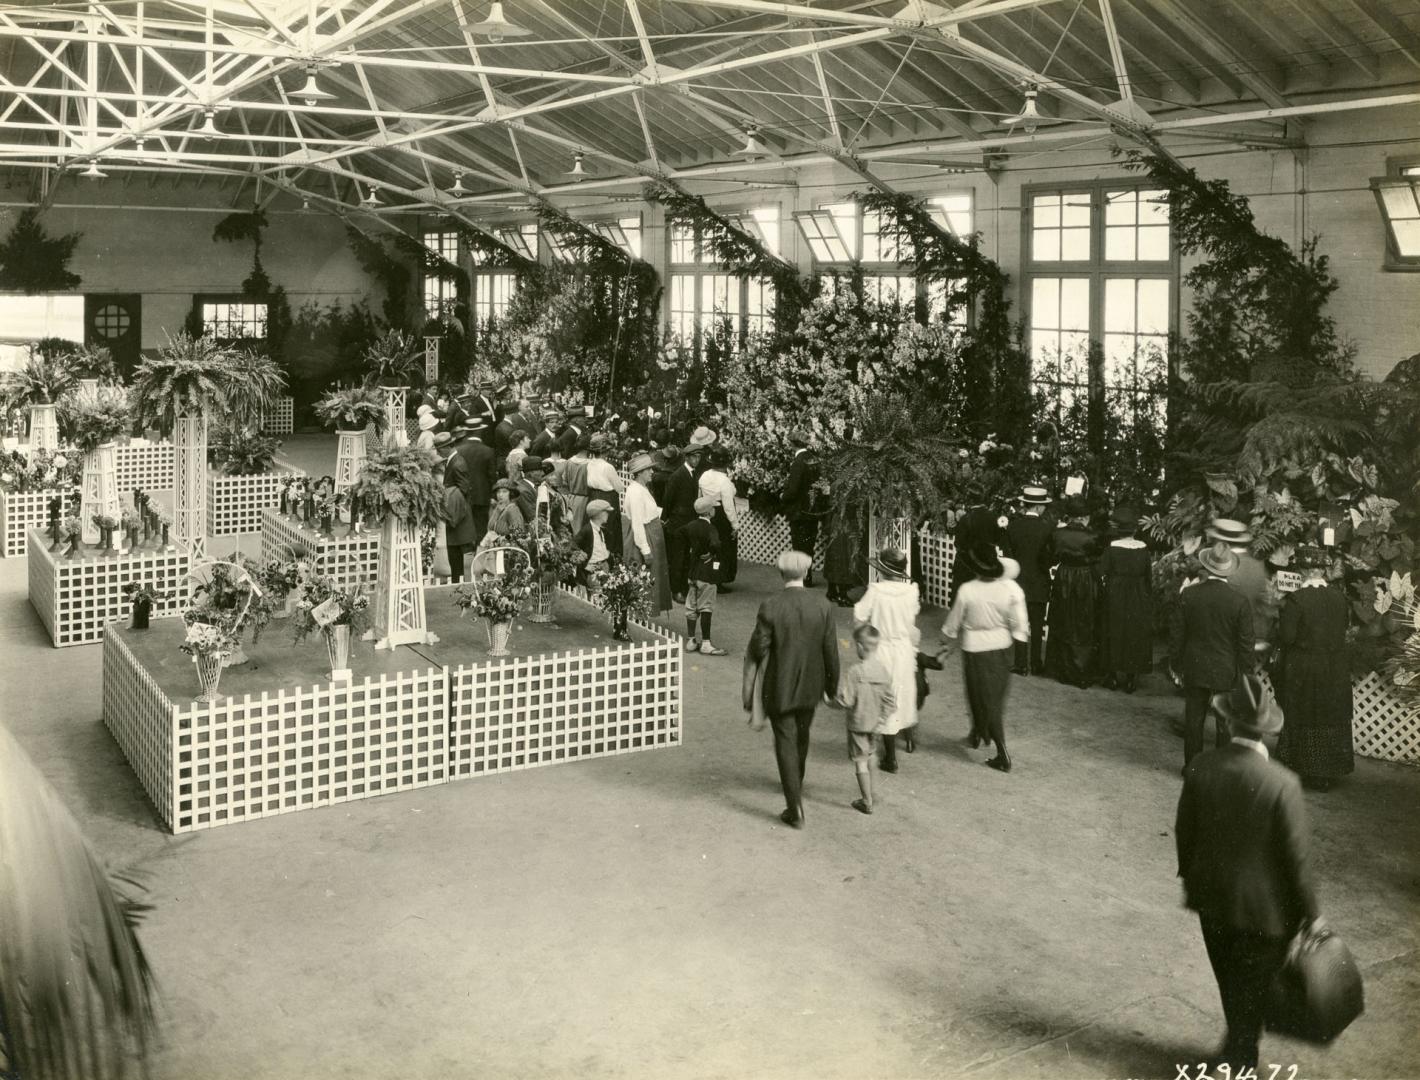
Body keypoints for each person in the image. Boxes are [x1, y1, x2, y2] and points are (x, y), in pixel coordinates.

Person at [1175, 675, 1323, 1072]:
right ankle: (1242, 1054)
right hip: (1268, 910)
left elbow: (1184, 833)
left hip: (1212, 898)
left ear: (1229, 724)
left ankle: (1237, 1046)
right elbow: (1297, 859)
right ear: (1268, 734)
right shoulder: (1282, 783)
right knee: (1254, 983)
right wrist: (1313, 913)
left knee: (1229, 977)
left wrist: (1191, 877)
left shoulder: (1201, 766)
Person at [743, 550, 841, 830]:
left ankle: (794, 805)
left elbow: (758, 646)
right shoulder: (822, 604)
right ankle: (795, 781)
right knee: (802, 735)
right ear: (805, 573)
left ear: (781, 573)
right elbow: (831, 651)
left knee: (785, 739)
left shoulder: (771, 604)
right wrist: (831, 687)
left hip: (779, 685)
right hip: (812, 683)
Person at [940, 544, 1030, 772]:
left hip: (975, 647)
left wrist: (947, 641)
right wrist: (1020, 653)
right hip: (1001, 646)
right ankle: (978, 733)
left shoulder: (968, 590)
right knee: (995, 697)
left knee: (977, 693)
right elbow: (1020, 625)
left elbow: (953, 622)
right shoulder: (1010, 589)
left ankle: (1001, 751)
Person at [1170, 541, 1255, 771]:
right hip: (1226, 670)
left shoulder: (1189, 594)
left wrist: (1176, 665)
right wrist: (1246, 676)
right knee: (1224, 724)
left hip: (1195, 665)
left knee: (1194, 720)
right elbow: (1246, 645)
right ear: (1229, 570)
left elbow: (1177, 634)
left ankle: (1192, 768)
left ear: (1207, 567)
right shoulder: (1239, 602)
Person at [1275, 546, 1354, 787]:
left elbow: (1287, 637)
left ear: (1302, 571)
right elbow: (1343, 628)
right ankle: (1325, 773)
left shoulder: (1297, 600)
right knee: (1329, 715)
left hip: (1305, 666)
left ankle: (1302, 766)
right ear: (1322, 571)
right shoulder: (1339, 598)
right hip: (1334, 666)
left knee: (1304, 713)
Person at [852, 547, 920, 770]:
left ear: (881, 569)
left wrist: (862, 639)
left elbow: (860, 616)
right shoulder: (911, 592)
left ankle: (890, 757)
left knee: (883, 697)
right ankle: (907, 739)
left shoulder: (876, 590)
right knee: (901, 694)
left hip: (881, 650)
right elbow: (911, 622)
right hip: (903, 649)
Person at [830, 623, 897, 815]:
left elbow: (846, 701)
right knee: (871, 756)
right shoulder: (883, 671)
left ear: (859, 646)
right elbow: (891, 701)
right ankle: (873, 791)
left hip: (858, 725)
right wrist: (882, 720)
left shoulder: (855, 672)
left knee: (860, 760)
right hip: (875, 724)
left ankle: (866, 801)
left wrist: (829, 702)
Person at [1040, 495, 1100, 688]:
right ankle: (1081, 671)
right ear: (1083, 517)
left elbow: (1047, 558)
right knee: (1083, 622)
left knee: (1062, 620)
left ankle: (1062, 670)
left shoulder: (1058, 535)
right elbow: (1098, 560)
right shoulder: (1093, 536)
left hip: (1064, 578)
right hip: (1085, 579)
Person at [1099, 505, 1154, 693]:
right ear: (1135, 530)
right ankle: (1131, 678)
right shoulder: (1143, 549)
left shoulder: (1112, 549)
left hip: (1115, 593)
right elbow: (1148, 576)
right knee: (1133, 633)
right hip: (1138, 594)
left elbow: (1101, 571)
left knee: (1113, 630)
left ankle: (1112, 676)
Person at [1208, 518, 1276, 661]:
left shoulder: (1224, 567)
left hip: (1230, 638)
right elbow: (1267, 604)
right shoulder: (1258, 565)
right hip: (1257, 635)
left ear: (1221, 544)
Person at [1003, 485, 1053, 675]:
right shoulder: (1047, 529)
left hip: (1019, 582)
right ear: (1039, 507)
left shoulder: (1013, 527)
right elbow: (1049, 558)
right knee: (1038, 624)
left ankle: (1021, 664)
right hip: (1039, 582)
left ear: (1025, 505)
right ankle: (1036, 664)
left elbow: (1008, 555)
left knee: (1019, 623)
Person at [622, 451, 673, 616]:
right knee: (644, 575)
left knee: (651, 576)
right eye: (648, 470)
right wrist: (645, 549)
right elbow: (637, 522)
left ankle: (642, 612)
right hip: (645, 535)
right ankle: (638, 612)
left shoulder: (641, 488)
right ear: (639, 473)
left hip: (652, 532)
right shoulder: (636, 492)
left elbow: (647, 510)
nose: (652, 472)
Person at [681, 495, 726, 655]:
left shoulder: (690, 526)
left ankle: (691, 640)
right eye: (713, 508)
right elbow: (716, 544)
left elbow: (682, 540)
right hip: (707, 573)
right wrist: (712, 553)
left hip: (693, 571)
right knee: (706, 606)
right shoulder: (711, 528)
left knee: (691, 606)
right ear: (708, 512)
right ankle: (706, 643)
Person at [663, 442, 703, 604]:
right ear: (687, 457)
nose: (697, 460)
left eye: (699, 457)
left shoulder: (694, 474)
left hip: (689, 521)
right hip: (678, 522)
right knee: (678, 557)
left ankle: (684, 587)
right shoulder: (678, 475)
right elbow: (668, 500)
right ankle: (676, 590)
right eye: (694, 457)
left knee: (687, 556)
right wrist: (667, 518)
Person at [781, 431, 820, 587]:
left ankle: (803, 577)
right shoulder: (814, 459)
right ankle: (808, 575)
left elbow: (793, 489)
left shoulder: (798, 462)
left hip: (799, 510)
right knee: (809, 543)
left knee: (799, 544)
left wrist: (783, 496)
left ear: (793, 444)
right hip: (812, 509)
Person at [697, 445, 739, 589]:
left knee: (710, 546)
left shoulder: (705, 476)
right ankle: (718, 578)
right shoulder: (724, 481)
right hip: (721, 515)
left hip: (707, 511)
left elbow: (700, 494)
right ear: (726, 464)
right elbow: (728, 506)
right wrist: (735, 525)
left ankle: (708, 575)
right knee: (723, 549)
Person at [585, 432, 626, 561]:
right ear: (605, 452)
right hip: (608, 497)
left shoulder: (590, 463)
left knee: (595, 527)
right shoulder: (608, 467)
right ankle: (611, 558)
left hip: (593, 496)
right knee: (610, 529)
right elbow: (619, 488)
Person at [454, 425, 496, 540]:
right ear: (480, 431)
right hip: (482, 495)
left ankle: (468, 549)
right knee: (481, 526)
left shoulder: (459, 450)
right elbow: (492, 476)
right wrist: (493, 495)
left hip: (463, 494)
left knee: (464, 526)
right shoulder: (488, 451)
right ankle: (479, 552)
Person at [443, 467, 475, 584]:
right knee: (459, 567)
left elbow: (453, 518)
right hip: (459, 535)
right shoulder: (455, 492)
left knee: (458, 566)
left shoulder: (453, 493)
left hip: (455, 535)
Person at [574, 499, 614, 585]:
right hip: (594, 569)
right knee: (596, 594)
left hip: (604, 566)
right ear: (600, 514)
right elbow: (573, 546)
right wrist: (584, 565)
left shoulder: (602, 530)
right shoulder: (587, 530)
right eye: (606, 512)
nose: (608, 515)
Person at [562, 434, 592, 534]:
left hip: (570, 498)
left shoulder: (568, 462)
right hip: (585, 499)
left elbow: (564, 480)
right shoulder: (589, 464)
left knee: (572, 527)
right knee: (581, 528)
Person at [483, 478, 525, 543]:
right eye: (498, 492)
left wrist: (501, 538)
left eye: (504, 491)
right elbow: (490, 528)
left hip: (510, 549)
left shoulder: (512, 509)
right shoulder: (496, 509)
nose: (500, 495)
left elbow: (519, 534)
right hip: (495, 548)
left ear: (511, 494)